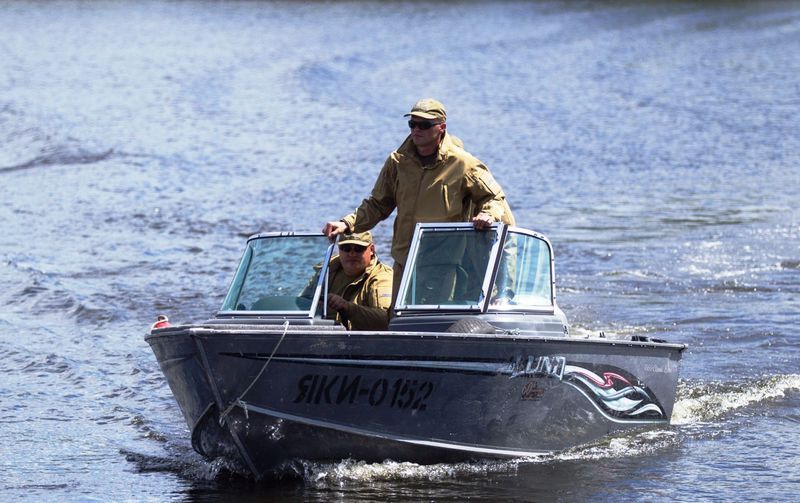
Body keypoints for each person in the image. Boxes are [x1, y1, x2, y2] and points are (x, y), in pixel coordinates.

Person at [322, 98, 514, 304]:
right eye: (412, 124)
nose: (416, 130)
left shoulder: (463, 163)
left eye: (424, 125)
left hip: (442, 263)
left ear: (441, 127)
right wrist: (346, 223)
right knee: (397, 322)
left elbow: (494, 198)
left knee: (429, 322)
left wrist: (488, 214)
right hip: (404, 261)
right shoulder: (397, 161)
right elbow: (378, 204)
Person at [324, 231, 393, 331]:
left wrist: (347, 307)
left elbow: (386, 321)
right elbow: (304, 304)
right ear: (339, 250)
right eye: (346, 248)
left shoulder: (382, 278)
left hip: (361, 342)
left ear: (372, 250)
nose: (352, 254)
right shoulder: (327, 270)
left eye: (358, 249)